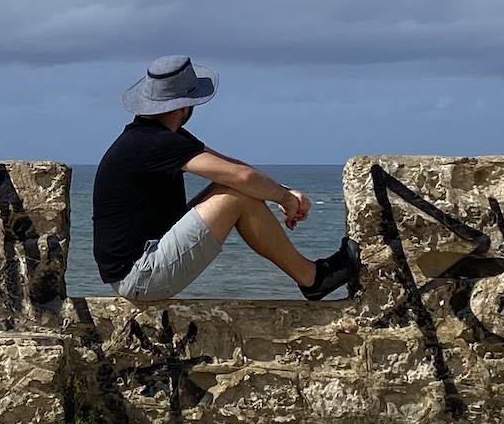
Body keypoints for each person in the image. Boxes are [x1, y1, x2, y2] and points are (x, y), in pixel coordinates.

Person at [92, 55, 358, 303]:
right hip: (139, 276)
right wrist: (285, 198)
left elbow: (232, 167)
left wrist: (282, 192)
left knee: (234, 186)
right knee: (236, 195)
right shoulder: (155, 143)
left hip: (144, 264)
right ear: (185, 106)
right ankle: (313, 278)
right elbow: (242, 177)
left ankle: (312, 276)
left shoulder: (155, 137)